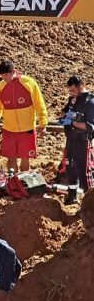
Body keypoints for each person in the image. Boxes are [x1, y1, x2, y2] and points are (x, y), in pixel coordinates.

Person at [0, 59, 48, 173]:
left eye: (6, 75)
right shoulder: (1, 86)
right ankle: (12, 184)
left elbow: (39, 104)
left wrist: (42, 124)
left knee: (25, 160)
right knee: (11, 160)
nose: (4, 78)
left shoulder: (28, 83)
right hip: (9, 130)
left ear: (13, 71)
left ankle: (24, 184)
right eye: (2, 76)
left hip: (27, 129)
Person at [58, 75, 94, 204]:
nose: (71, 94)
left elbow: (90, 127)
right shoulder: (73, 100)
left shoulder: (90, 103)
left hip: (83, 141)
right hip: (71, 139)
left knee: (83, 170)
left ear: (81, 87)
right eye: (70, 91)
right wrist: (64, 116)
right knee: (69, 165)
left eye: (73, 90)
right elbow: (65, 112)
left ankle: (88, 202)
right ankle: (72, 195)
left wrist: (72, 122)